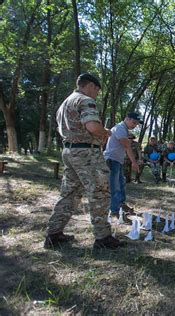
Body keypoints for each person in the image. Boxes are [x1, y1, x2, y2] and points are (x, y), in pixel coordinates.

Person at [44, 73, 124, 250]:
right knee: (100, 192)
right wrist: (106, 132)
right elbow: (93, 127)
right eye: (96, 91)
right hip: (86, 154)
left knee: (69, 194)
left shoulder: (64, 104)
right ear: (91, 86)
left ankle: (54, 233)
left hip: (69, 151)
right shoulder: (85, 101)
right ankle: (103, 237)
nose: (96, 95)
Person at [104, 112, 142, 218]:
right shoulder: (120, 128)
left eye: (136, 124)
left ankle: (120, 205)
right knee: (115, 186)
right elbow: (126, 146)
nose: (134, 125)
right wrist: (134, 162)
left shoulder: (124, 129)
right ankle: (114, 210)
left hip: (118, 161)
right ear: (127, 119)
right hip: (112, 160)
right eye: (133, 122)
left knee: (121, 184)